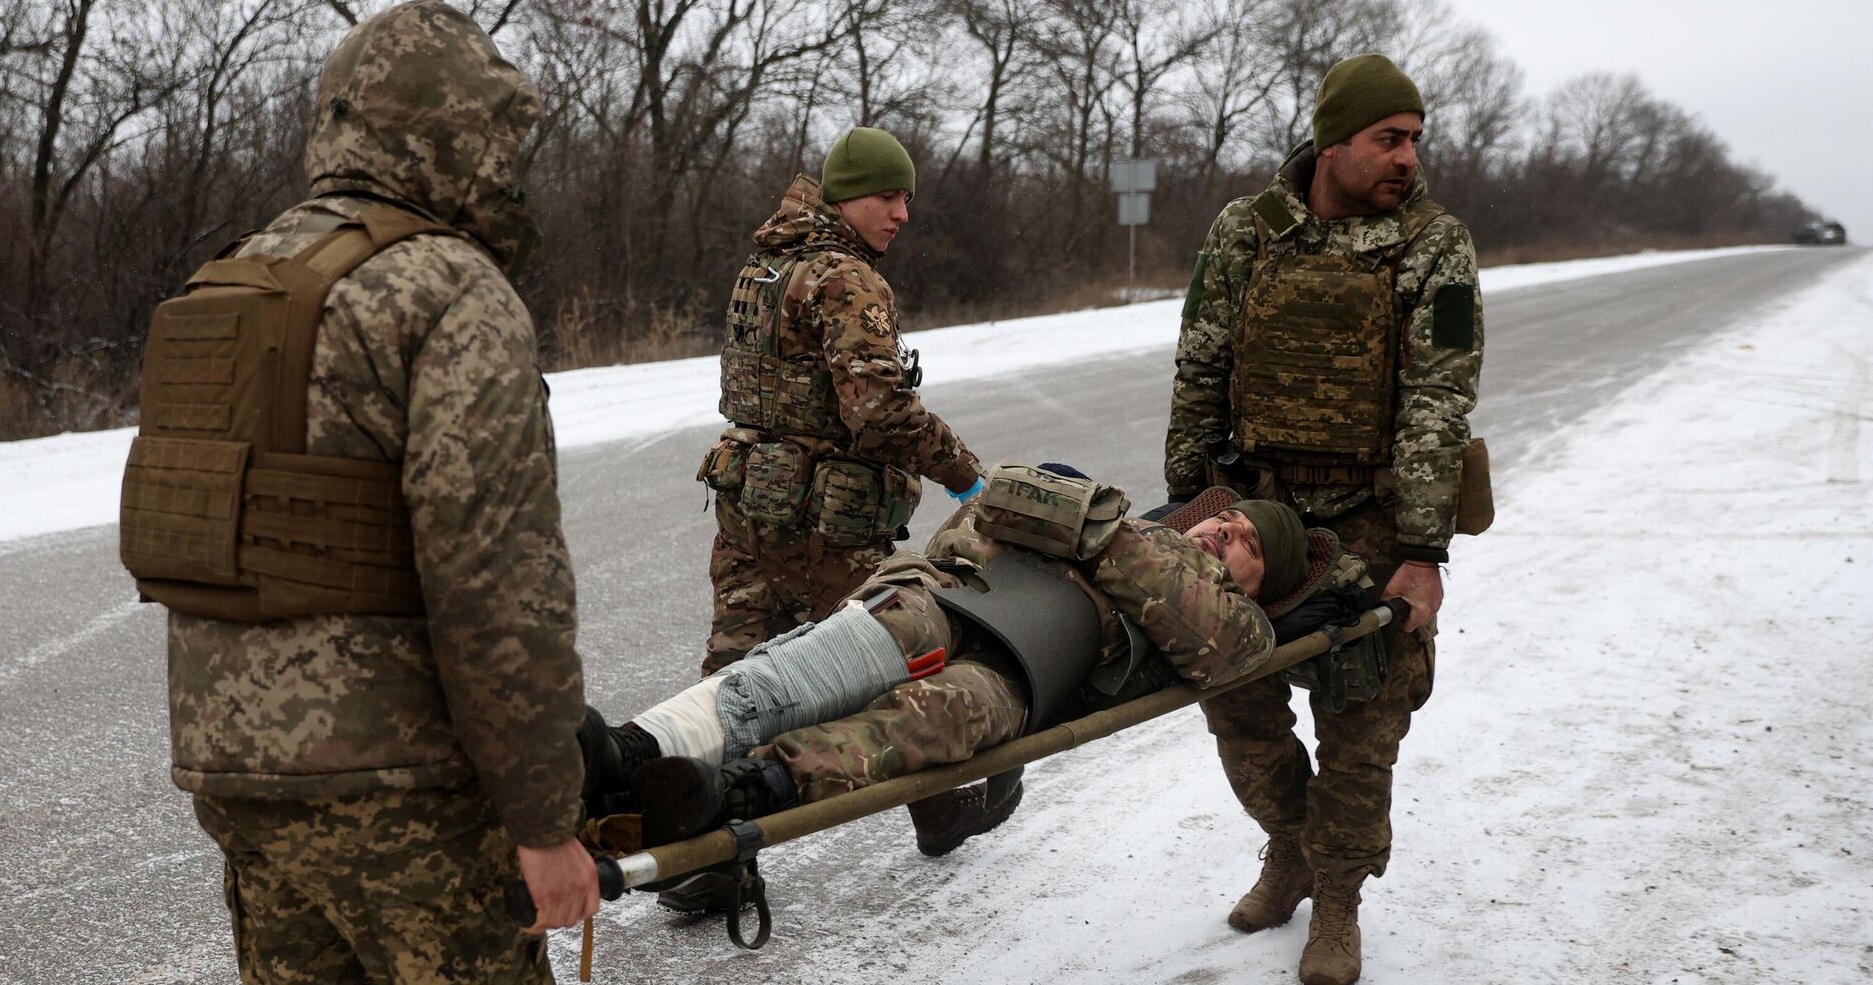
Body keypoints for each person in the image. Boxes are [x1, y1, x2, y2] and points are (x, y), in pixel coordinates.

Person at [118, 1, 596, 982]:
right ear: (450, 132)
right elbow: (495, 583)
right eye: (499, 138)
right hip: (399, 791)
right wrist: (545, 821)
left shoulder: (228, 280)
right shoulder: (450, 290)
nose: (511, 163)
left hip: (236, 777)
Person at [581, 464, 1373, 859]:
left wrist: (1090, 530)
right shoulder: (1138, 531)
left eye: (1244, 545)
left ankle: (740, 790)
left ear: (1259, 585)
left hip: (1027, 678)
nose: (1219, 534)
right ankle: (634, 749)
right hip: (961, 598)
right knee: (834, 656)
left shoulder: (1243, 627)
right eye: (1224, 519)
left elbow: (1209, 640)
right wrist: (1097, 533)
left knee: (932, 723)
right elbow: (983, 517)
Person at [1164, 53, 1484, 985]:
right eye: (1389, 139)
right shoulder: (1245, 232)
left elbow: (1438, 401)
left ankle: (1338, 900)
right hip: (1257, 512)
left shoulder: (1434, 245)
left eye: (1416, 140)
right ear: (1333, 143)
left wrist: (1423, 551)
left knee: (1361, 718)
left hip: (1376, 518)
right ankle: (1289, 847)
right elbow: (1199, 372)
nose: (1408, 159)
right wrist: (1188, 507)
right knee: (1233, 694)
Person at [689, 128, 985, 905]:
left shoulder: (764, 266)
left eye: (908, 198)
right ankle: (941, 807)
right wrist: (965, 475)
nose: (902, 213)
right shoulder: (846, 278)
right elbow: (880, 412)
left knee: (732, 676)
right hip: (831, 525)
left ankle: (710, 858)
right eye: (888, 196)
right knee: (897, 654)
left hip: (751, 508)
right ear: (847, 194)